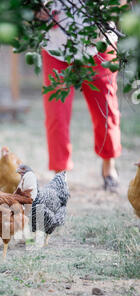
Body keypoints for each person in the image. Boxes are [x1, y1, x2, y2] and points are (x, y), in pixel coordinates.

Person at [36, 1, 125, 191]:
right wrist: (34, 10)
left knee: (106, 110)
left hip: (99, 42)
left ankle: (108, 167)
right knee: (56, 114)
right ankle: (59, 174)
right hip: (56, 43)